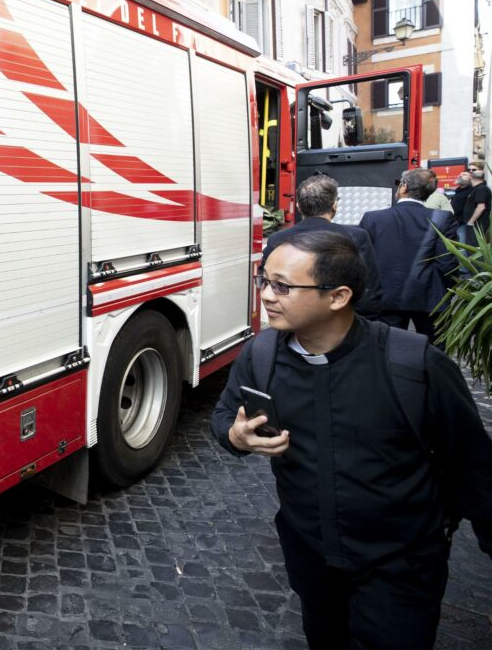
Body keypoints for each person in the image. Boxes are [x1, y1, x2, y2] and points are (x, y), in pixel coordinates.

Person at [211, 230, 492, 650]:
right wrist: (235, 436)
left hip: (399, 569)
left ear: (338, 296)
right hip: (312, 560)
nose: (267, 295)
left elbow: (475, 469)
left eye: (283, 286)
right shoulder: (261, 354)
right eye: (263, 280)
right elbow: (222, 418)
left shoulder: (414, 365)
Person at [261, 175, 382, 319]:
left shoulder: (278, 238)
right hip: (341, 320)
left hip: (293, 318)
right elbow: (370, 287)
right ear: (334, 205)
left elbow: (267, 280)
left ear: (299, 206)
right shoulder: (356, 236)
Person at [358, 168, 458, 342]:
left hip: (386, 298)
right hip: (430, 299)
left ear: (403, 187)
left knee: (387, 351)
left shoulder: (373, 219)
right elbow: (448, 264)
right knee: (434, 353)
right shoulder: (443, 219)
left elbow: (362, 262)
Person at [461, 167, 489, 243]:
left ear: (471, 177)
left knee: (473, 248)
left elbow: (481, 207)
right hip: (475, 225)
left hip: (477, 225)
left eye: (473, 170)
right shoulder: (476, 188)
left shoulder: (481, 189)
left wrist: (471, 221)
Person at [450, 171, 474, 244]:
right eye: (460, 174)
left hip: (463, 223)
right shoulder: (458, 191)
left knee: (462, 246)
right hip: (455, 222)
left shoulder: (472, 191)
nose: (460, 176)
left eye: (464, 175)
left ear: (471, 178)